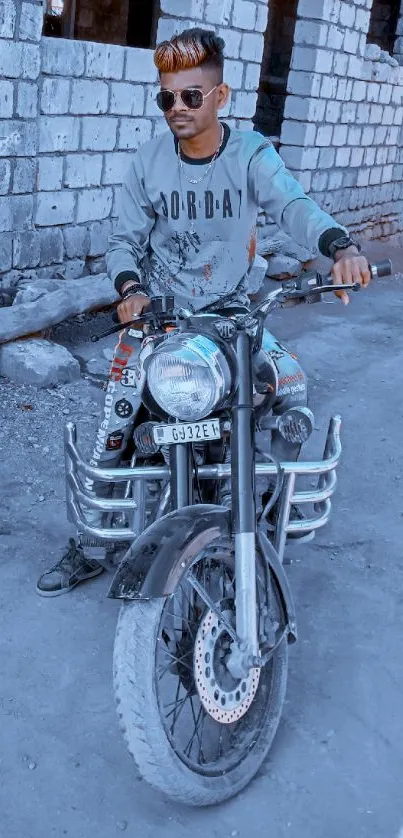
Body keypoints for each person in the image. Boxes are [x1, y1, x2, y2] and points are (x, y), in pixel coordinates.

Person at [36, 28, 371, 596]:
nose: (177, 109)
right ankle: (91, 542)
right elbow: (123, 240)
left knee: (290, 386)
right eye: (166, 97)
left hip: (233, 318)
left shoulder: (250, 155)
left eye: (192, 95)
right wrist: (130, 287)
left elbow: (292, 204)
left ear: (221, 96)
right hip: (160, 320)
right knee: (118, 411)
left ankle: (259, 514)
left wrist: (339, 247)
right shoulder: (147, 163)